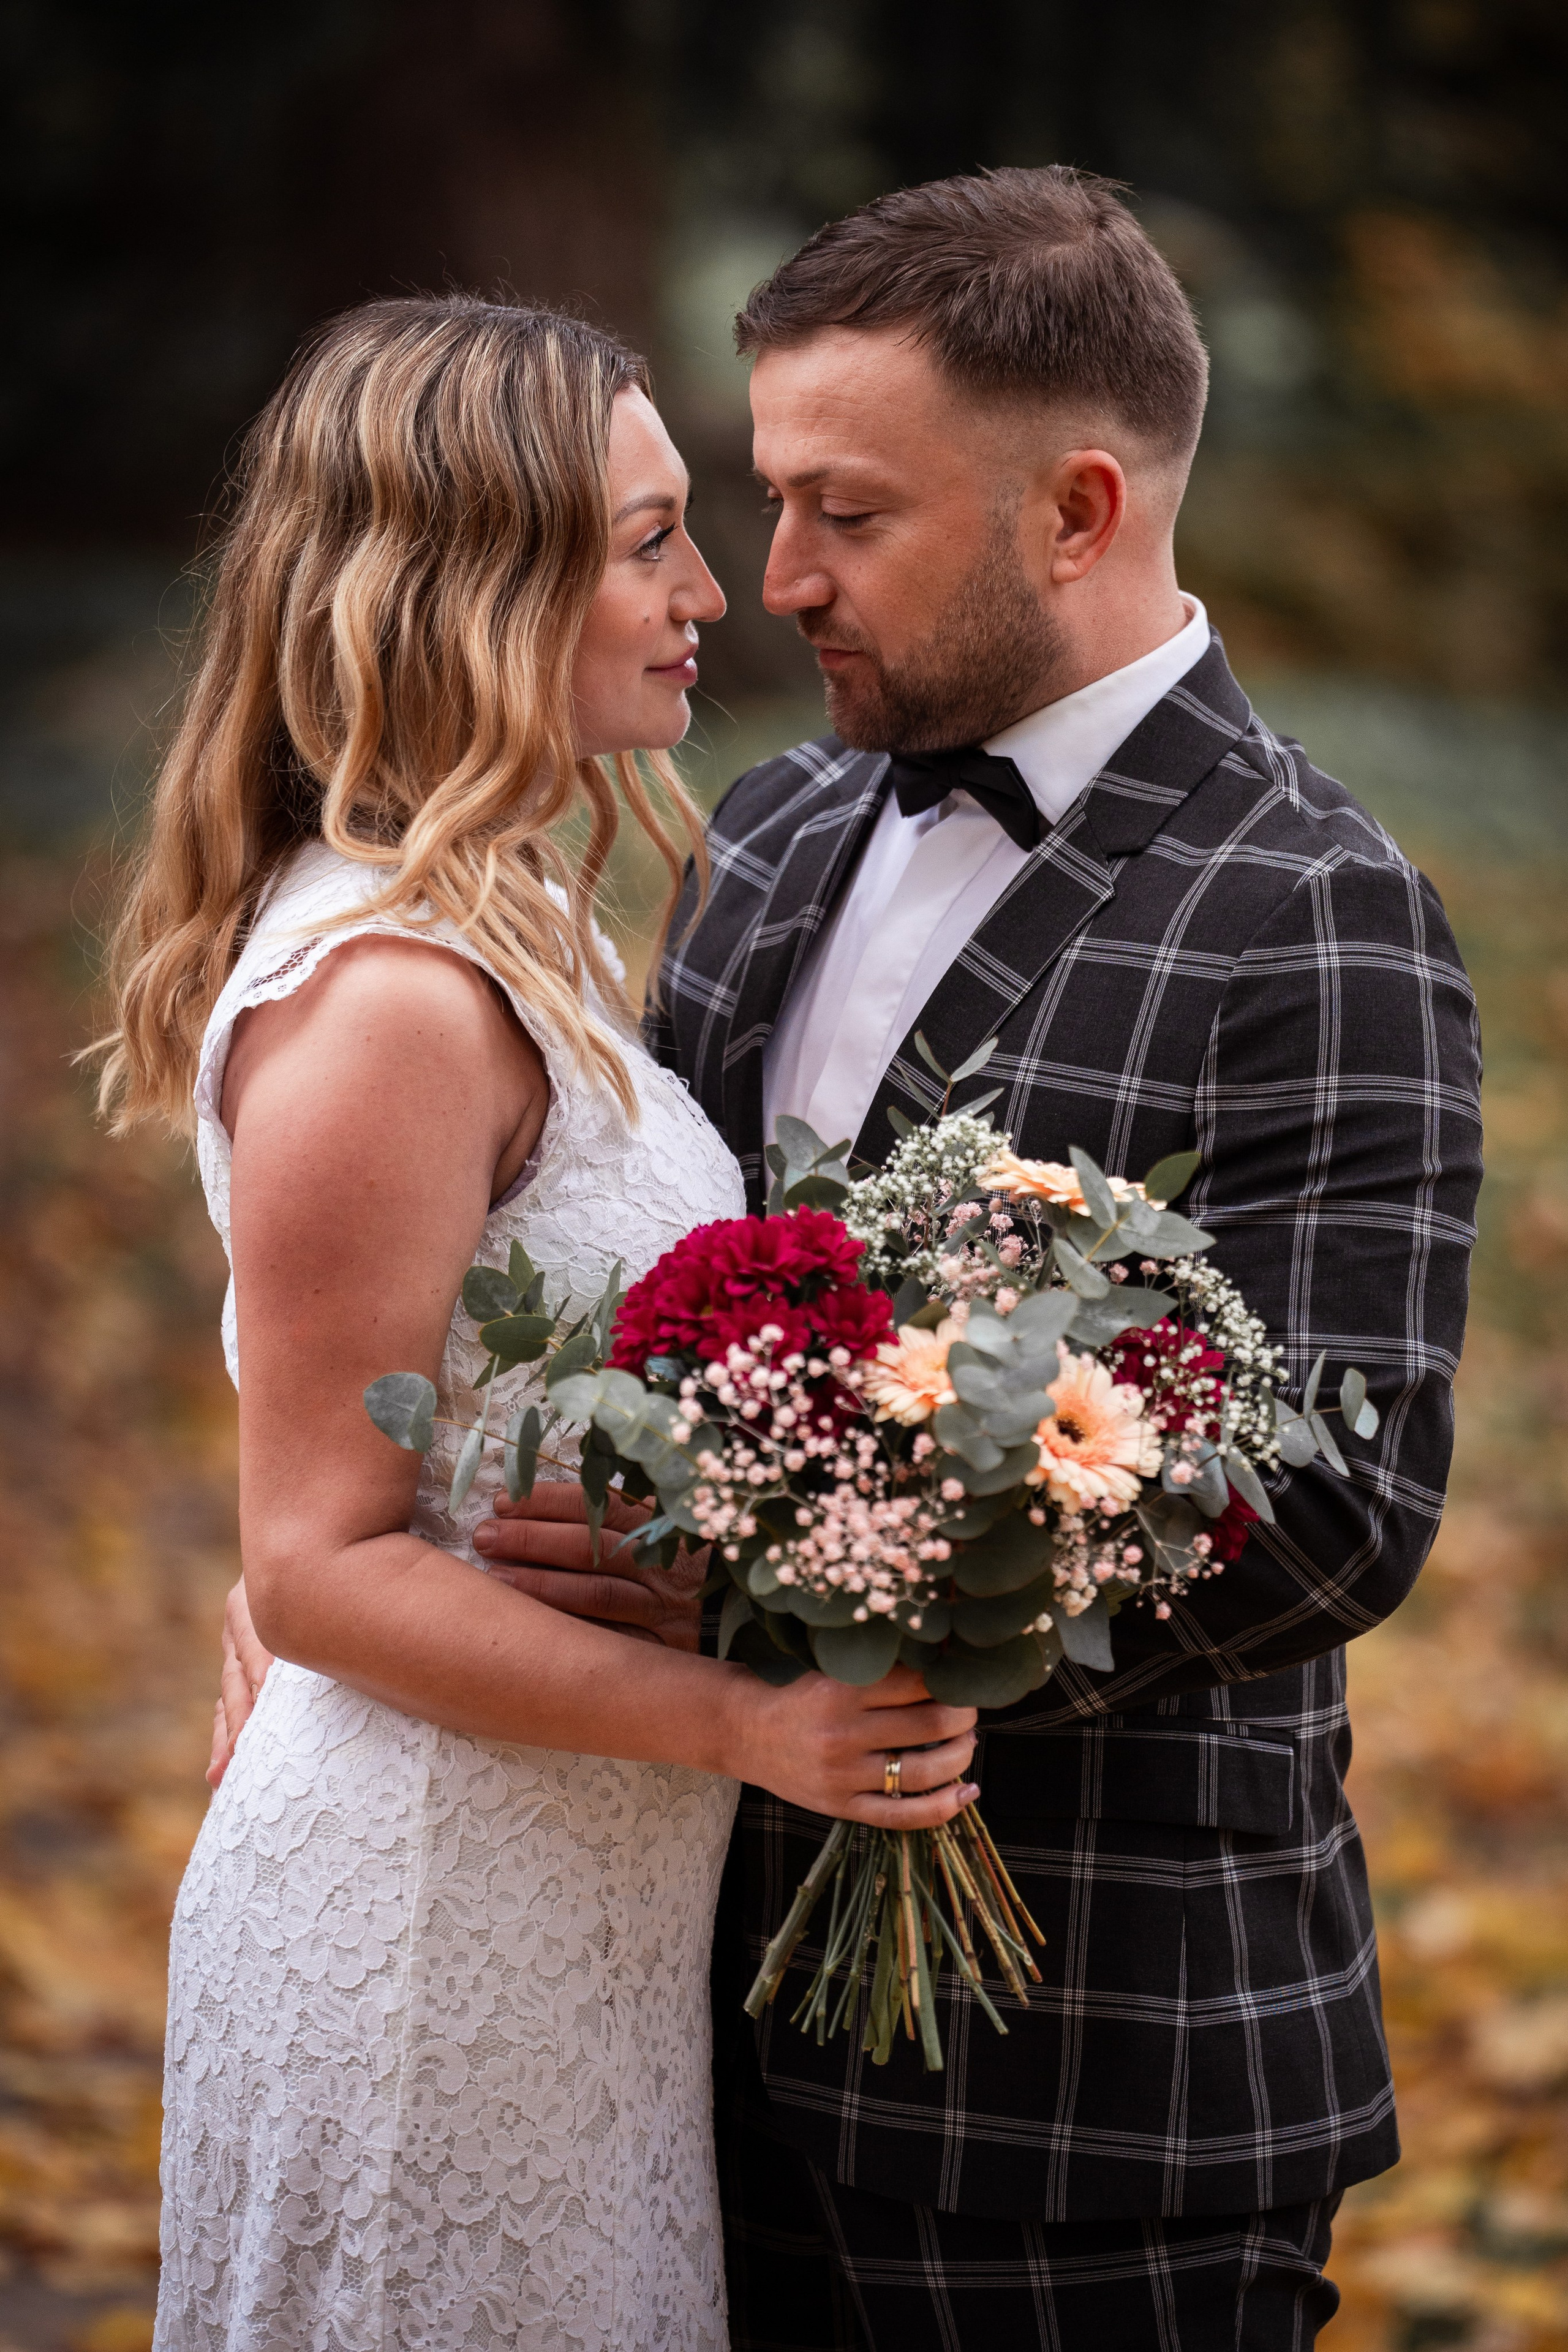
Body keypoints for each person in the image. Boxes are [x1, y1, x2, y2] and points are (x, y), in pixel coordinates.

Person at [428, 168, 1484, 2345]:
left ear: (1078, 511)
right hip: (679, 2038)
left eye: (849, 513)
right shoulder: (777, 827)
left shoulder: (1318, 912)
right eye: (769, 499)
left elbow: (1333, 1505)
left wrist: (773, 1585)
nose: (774, 577)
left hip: (1100, 2092)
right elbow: (634, 1295)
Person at [97, 293, 980, 2352]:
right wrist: (751, 1726)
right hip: (428, 1935)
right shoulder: (391, 1000)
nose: (710, 594)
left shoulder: (516, 927)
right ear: (470, 591)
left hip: (571, 1928)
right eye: (651, 540)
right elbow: (315, 1565)